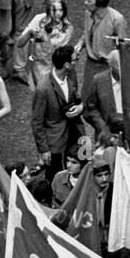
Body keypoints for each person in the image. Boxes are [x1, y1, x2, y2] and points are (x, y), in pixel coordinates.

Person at [30, 45, 82, 175]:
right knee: (55, 174)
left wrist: (80, 107)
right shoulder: (43, 88)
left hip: (74, 132)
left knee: (78, 168)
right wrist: (44, 149)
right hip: (55, 141)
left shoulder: (71, 74)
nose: (78, 61)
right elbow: (37, 122)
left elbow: (77, 98)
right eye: (75, 59)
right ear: (67, 65)